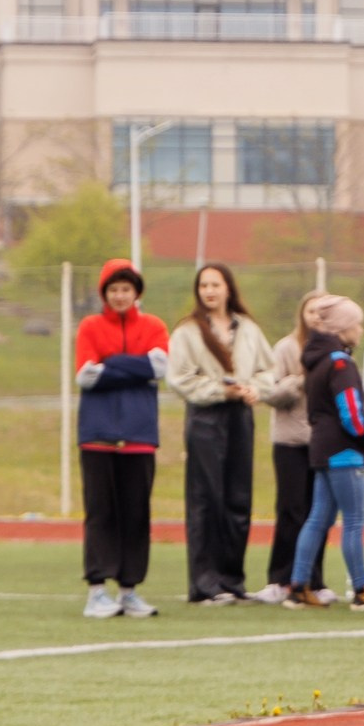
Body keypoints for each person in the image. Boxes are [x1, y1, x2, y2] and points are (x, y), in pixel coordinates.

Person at [168, 262, 277, 605]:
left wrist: (252, 390)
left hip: (240, 417)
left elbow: (268, 369)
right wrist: (221, 390)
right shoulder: (187, 332)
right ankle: (204, 584)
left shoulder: (247, 329)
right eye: (204, 286)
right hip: (205, 418)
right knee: (206, 499)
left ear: (228, 288)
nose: (210, 291)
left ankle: (232, 580)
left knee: (237, 498)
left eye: (216, 285)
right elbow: (180, 379)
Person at [73, 259, 169, 619]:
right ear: (104, 294)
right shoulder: (90, 326)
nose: (120, 296)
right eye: (113, 290)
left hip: (139, 435)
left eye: (126, 289)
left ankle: (129, 590)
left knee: (136, 513)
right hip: (97, 436)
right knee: (100, 513)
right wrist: (134, 366)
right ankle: (97, 591)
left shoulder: (155, 326)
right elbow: (85, 375)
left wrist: (110, 363)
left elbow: (160, 368)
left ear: (136, 293)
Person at [286, 295, 364, 609]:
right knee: (353, 521)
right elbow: (352, 414)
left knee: (317, 519)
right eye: (357, 324)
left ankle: (298, 585)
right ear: (343, 328)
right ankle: (363, 588)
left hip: (320, 449)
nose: (361, 329)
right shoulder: (341, 363)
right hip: (344, 451)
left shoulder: (315, 360)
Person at [258, 292, 327, 604]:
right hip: (289, 442)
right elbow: (270, 394)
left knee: (319, 512)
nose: (316, 316)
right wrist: (299, 380)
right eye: (311, 310)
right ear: (302, 314)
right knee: (290, 510)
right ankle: (280, 579)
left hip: (322, 443)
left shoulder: (335, 351)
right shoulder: (286, 348)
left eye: (323, 311)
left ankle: (314, 579)